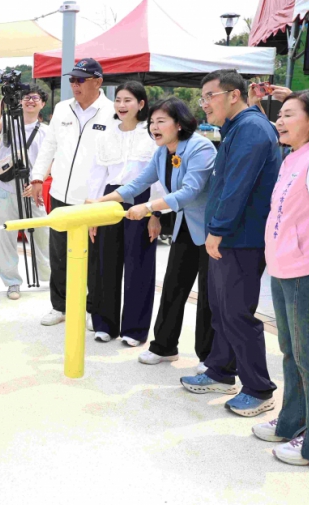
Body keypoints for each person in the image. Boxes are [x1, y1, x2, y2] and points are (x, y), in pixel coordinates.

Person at [179, 70, 282, 417]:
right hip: (229, 236)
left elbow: (237, 186)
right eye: (203, 97)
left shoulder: (251, 128)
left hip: (241, 238)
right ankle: (221, 371)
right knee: (221, 310)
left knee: (237, 313)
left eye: (210, 96)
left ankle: (259, 388)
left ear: (233, 95)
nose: (203, 103)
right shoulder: (238, 127)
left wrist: (218, 228)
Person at [92, 97, 216, 366]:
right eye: (152, 122)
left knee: (209, 296)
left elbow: (189, 191)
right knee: (173, 286)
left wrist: (148, 208)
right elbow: (137, 183)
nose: (153, 127)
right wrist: (100, 202)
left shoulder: (201, 148)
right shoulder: (161, 151)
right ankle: (164, 347)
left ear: (180, 124)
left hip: (211, 230)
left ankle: (210, 358)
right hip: (184, 227)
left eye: (161, 121)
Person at [250, 90, 309, 466]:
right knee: (292, 354)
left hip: (308, 272)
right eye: (279, 115)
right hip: (284, 267)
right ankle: (292, 421)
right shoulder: (294, 158)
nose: (280, 121)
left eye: (288, 115)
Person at [29, 59, 115, 326]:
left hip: (91, 198)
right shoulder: (62, 108)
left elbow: (112, 161)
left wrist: (101, 198)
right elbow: (49, 146)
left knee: (93, 257)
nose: (75, 85)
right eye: (72, 80)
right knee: (58, 254)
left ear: (98, 82)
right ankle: (60, 306)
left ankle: (91, 308)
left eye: (81, 80)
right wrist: (37, 177)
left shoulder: (112, 112)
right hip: (59, 195)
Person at [86, 81, 161, 344]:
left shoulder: (151, 136)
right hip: (109, 199)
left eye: (128, 100)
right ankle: (104, 324)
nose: (121, 105)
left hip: (141, 200)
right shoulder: (105, 135)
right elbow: (97, 176)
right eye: (118, 100)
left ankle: (135, 330)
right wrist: (93, 214)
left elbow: (158, 178)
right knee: (105, 262)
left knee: (139, 264)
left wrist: (155, 213)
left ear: (141, 104)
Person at [0, 84, 51, 301]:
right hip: (6, 189)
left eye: (35, 98)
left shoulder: (47, 131)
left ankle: (50, 276)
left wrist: (37, 181)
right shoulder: (9, 123)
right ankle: (12, 282)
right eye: (26, 97)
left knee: (43, 234)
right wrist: (5, 99)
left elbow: (50, 160)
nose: (30, 101)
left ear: (43, 103)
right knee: (6, 238)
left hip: (32, 191)